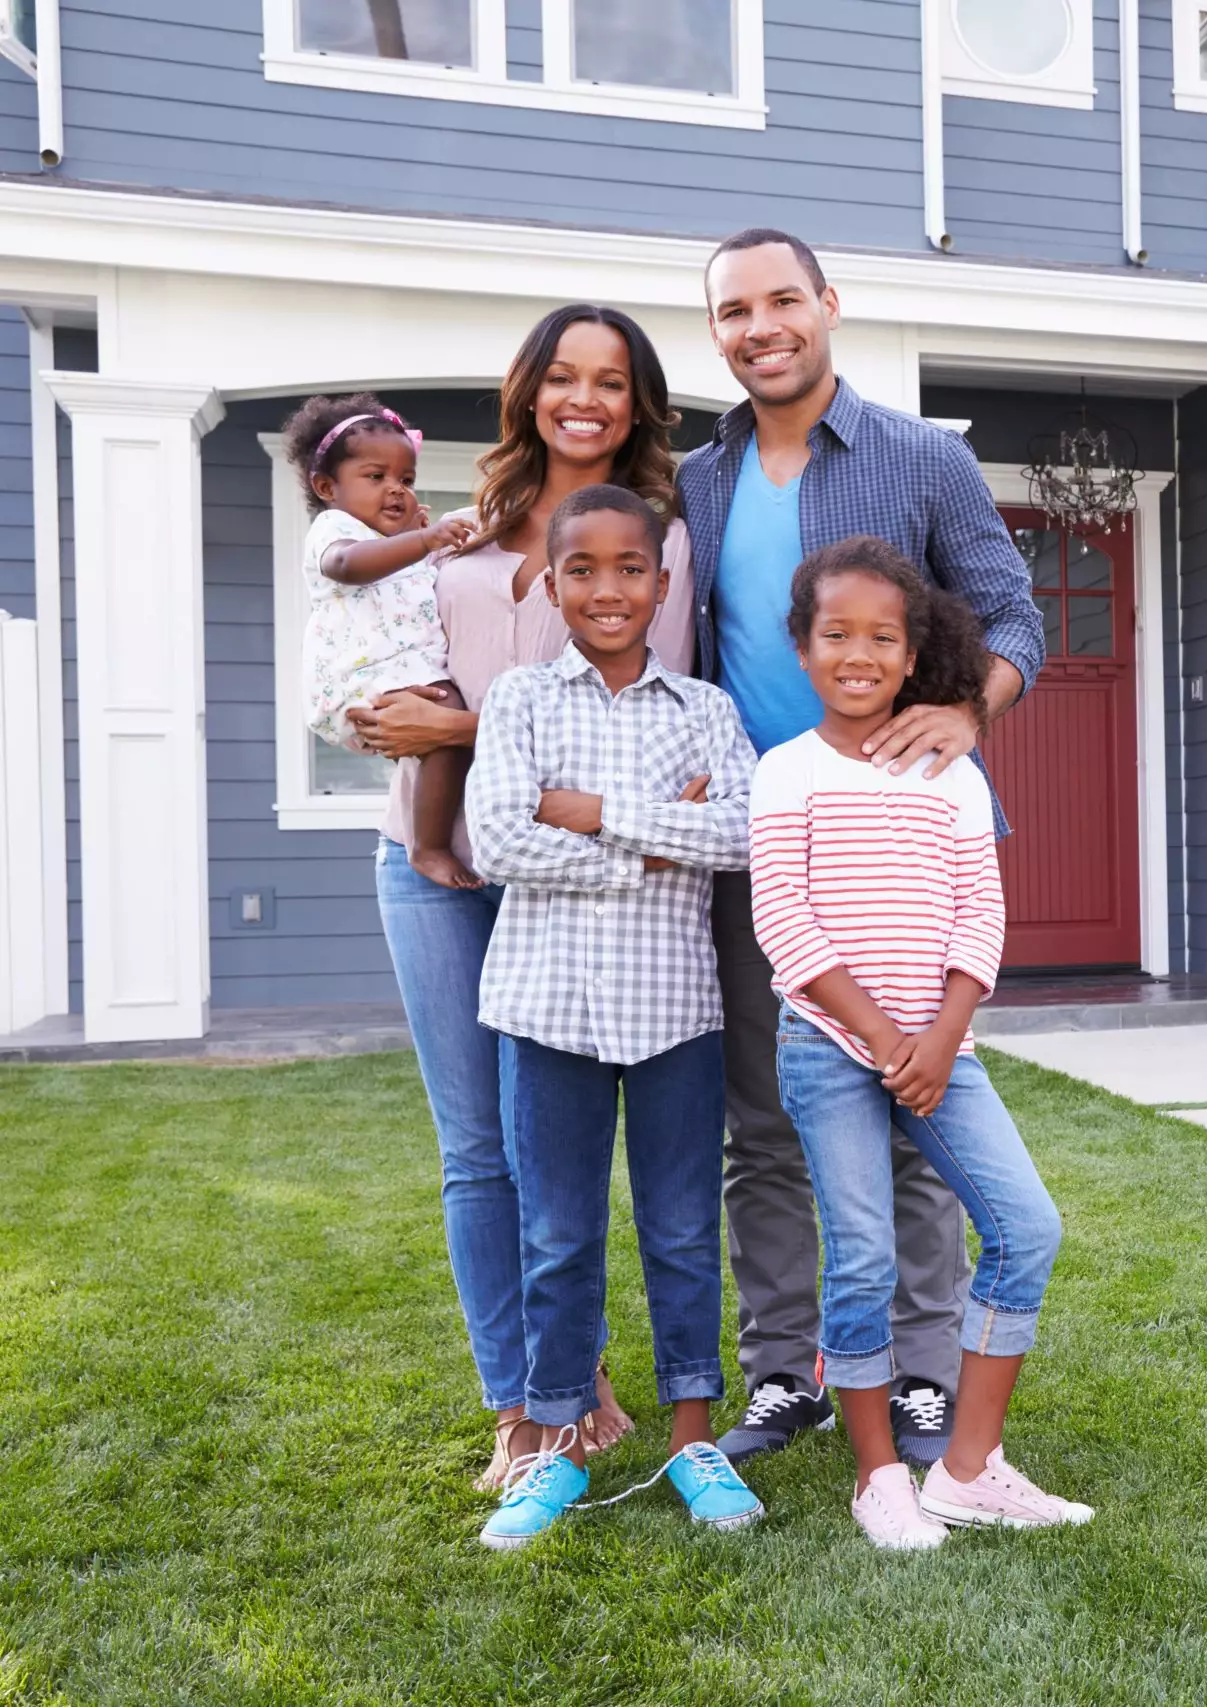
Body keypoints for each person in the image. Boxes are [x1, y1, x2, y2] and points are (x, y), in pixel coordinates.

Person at [678, 227, 1046, 1468]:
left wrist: (969, 706)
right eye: (734, 310)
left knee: (918, 1113)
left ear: (828, 305)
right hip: (766, 845)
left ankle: (925, 1375)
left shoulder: (921, 458)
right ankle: (786, 1373)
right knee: (767, 1123)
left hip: (910, 842)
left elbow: (1012, 614)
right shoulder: (697, 479)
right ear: (716, 332)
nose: (760, 325)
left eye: (783, 299)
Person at [350, 305, 694, 1491]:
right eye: (561, 376)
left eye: (609, 380)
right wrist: (388, 717)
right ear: (528, 391)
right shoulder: (453, 530)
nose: (583, 398)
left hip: (570, 882)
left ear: (638, 402)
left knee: (562, 1149)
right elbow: (385, 680)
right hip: (432, 861)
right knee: (474, 1150)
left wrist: (457, 723)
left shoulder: (662, 543)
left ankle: (570, 1370)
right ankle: (526, 1399)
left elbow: (646, 731)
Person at [752, 539, 1087, 1548]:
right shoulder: (785, 773)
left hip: (943, 1048)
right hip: (828, 1047)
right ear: (802, 650)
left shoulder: (954, 776)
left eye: (882, 637)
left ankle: (968, 1469)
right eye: (835, 634)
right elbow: (786, 925)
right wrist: (886, 1037)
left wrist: (941, 1039)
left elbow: (978, 919)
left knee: (1025, 1230)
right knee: (861, 1260)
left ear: (912, 654)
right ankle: (877, 1476)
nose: (858, 653)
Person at [467, 484, 764, 1549]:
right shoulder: (517, 702)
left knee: (684, 1229)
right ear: (552, 584)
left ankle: (694, 1438)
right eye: (581, 570)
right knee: (557, 1233)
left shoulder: (707, 713)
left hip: (675, 1009)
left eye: (629, 569)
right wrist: (650, 843)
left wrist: (590, 817)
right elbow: (498, 840)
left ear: (662, 580)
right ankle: (554, 1442)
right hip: (546, 1010)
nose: (606, 589)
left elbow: (739, 835)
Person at [285, 395, 478, 889]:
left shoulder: (396, 542)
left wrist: (414, 540)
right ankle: (427, 847)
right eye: (376, 478)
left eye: (406, 481)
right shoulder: (335, 530)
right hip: (363, 676)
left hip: (401, 670)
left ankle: (434, 836)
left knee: (445, 730)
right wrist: (424, 539)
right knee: (446, 725)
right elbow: (348, 566)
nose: (395, 490)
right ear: (328, 487)